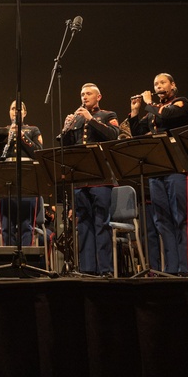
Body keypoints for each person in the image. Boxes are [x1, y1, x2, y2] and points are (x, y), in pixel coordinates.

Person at [127, 73, 188, 275]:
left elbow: (169, 115)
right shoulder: (154, 111)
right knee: (162, 220)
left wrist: (148, 103)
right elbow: (138, 132)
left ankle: (186, 267)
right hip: (158, 167)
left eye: (162, 83)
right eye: (155, 84)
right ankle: (171, 268)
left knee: (180, 217)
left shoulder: (181, 102)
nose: (158, 87)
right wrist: (135, 112)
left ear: (173, 85)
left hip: (178, 166)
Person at [59, 83, 120, 275]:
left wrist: (90, 119)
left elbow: (113, 136)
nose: (84, 97)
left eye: (88, 94)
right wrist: (66, 129)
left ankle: (105, 270)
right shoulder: (77, 119)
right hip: (81, 177)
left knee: (101, 223)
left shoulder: (108, 115)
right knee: (84, 223)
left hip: (101, 176)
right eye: (82, 94)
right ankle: (87, 270)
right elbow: (67, 147)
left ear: (98, 97)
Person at [0, 100, 44, 246]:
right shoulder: (4, 130)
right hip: (6, 177)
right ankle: (8, 259)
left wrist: (21, 136)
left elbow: (37, 151)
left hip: (27, 176)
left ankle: (25, 260)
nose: (15, 111)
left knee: (26, 224)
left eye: (19, 109)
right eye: (13, 109)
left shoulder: (33, 130)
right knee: (6, 225)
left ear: (25, 113)